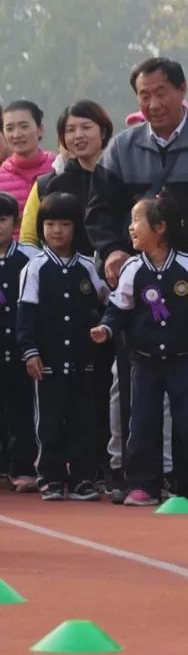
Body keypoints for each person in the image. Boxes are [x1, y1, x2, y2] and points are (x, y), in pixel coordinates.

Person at [85, 57, 188, 423]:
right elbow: (99, 211)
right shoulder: (121, 149)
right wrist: (111, 251)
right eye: (144, 95)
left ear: (182, 90)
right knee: (135, 382)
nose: (153, 104)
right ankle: (138, 472)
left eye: (161, 93)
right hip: (140, 290)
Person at [90, 192, 188, 507]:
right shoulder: (133, 269)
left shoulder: (187, 266)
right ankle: (144, 484)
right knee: (142, 423)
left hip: (183, 360)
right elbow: (119, 307)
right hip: (145, 362)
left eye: (136, 221)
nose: (130, 228)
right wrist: (106, 328)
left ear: (159, 228)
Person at [16, 192, 107, 500]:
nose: (57, 231)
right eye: (50, 223)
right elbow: (25, 314)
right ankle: (50, 477)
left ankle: (83, 478)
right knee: (50, 422)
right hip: (49, 361)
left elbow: (105, 301)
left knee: (84, 421)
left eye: (64, 224)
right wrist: (30, 351)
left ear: (75, 227)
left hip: (82, 361)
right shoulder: (35, 268)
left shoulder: (87, 267)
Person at [20, 101, 112, 255]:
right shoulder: (58, 185)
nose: (78, 135)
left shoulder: (121, 178)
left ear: (102, 131)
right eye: (70, 130)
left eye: (86, 127)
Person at [0, 192, 39, 492]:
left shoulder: (29, 259)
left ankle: (22, 467)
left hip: (19, 348)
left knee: (21, 409)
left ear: (14, 221)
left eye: (2, 219)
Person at [0, 101, 57, 213]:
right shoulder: (2, 176)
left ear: (40, 129)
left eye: (24, 126)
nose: (16, 135)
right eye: (10, 129)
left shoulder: (58, 168)